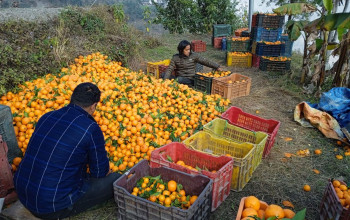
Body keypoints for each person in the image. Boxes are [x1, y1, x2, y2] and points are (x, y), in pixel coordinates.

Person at [13, 82, 121, 219]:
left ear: (72, 98)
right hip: (51, 206)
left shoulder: (47, 116)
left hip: (23, 192)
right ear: (94, 106)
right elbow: (99, 172)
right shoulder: (90, 128)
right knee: (116, 179)